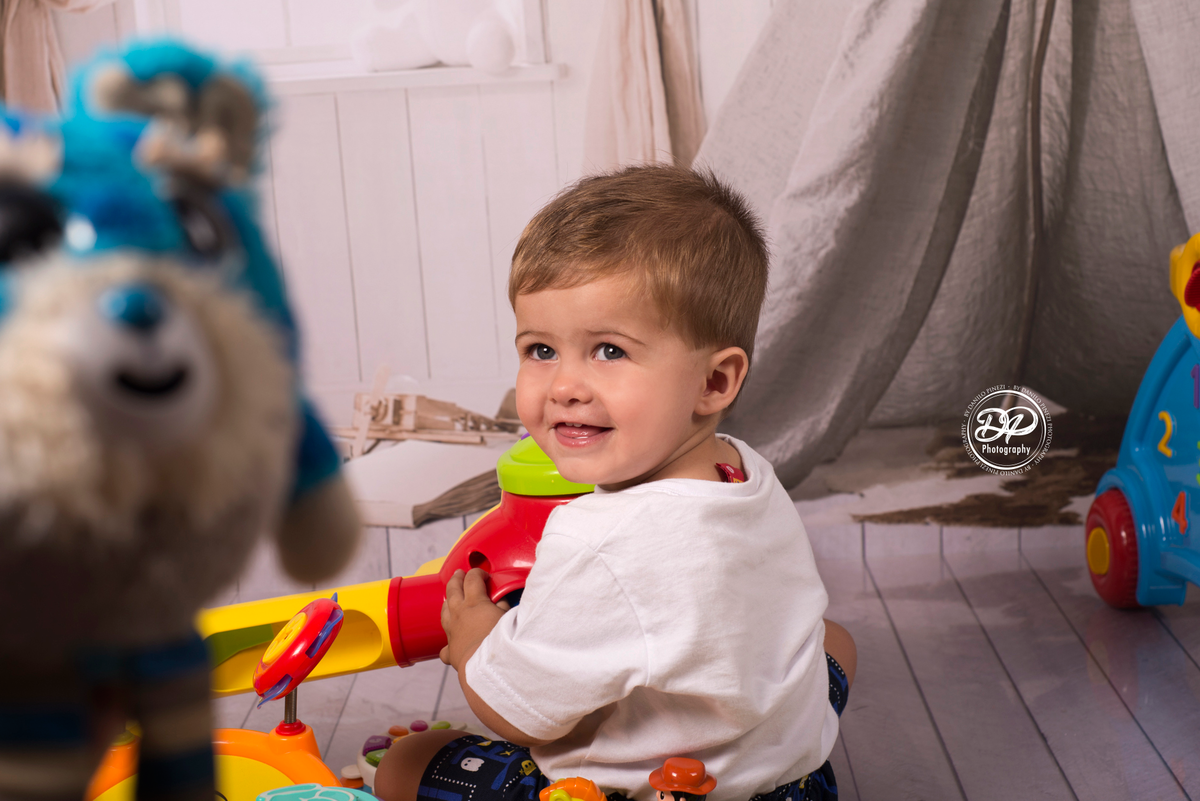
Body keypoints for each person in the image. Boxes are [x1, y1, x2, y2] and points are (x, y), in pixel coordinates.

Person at [374, 165, 857, 801]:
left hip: (667, 791)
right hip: (796, 777)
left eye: (609, 351)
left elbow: (517, 715)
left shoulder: (600, 542)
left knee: (408, 762)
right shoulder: (742, 469)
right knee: (835, 640)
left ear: (714, 382)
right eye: (540, 350)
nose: (565, 387)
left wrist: (474, 644)